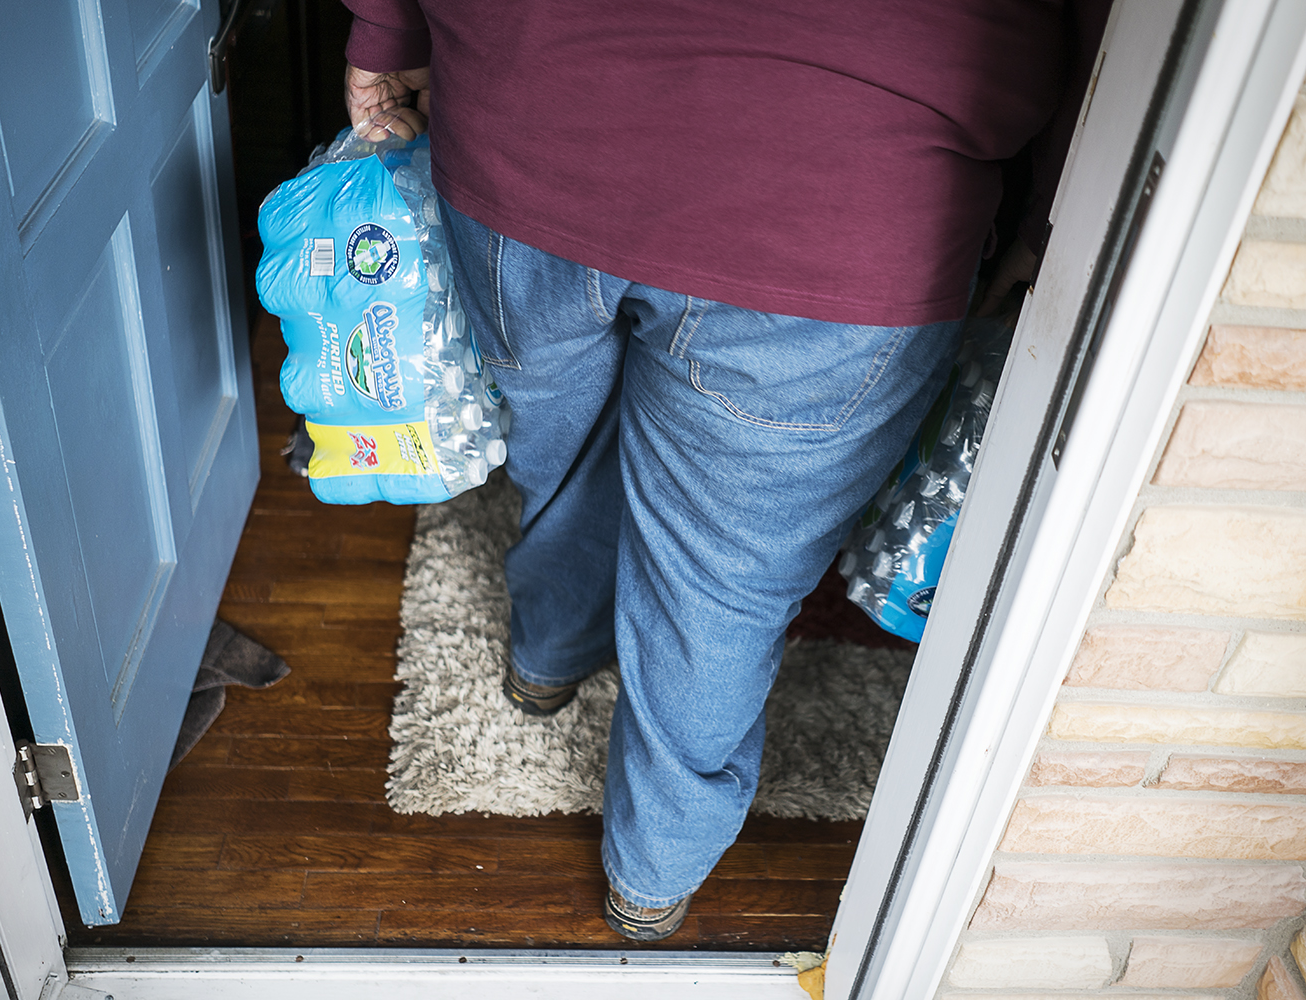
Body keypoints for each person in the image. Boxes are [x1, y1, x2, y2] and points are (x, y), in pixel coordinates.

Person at [338, 0, 1109, 942]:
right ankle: (650, 873)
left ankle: (548, 657)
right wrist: (1062, 205)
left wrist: (387, 30)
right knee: (723, 583)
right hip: (855, 200)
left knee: (562, 451)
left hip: (536, 128)